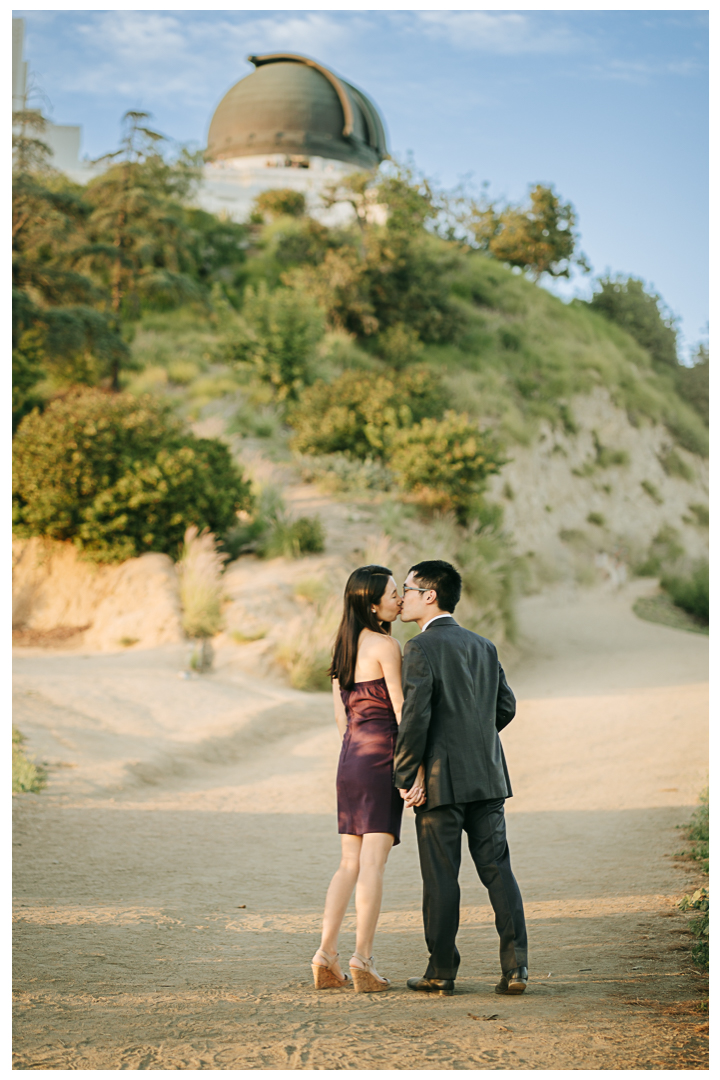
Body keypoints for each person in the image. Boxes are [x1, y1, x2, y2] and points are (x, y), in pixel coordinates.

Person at [394, 559, 528, 997]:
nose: (404, 597)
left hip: (439, 782)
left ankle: (441, 971)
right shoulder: (483, 645)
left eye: (410, 589)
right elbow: (505, 707)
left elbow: (415, 718)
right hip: (488, 777)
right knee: (498, 871)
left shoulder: (419, 648)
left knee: (440, 877)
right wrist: (476, 740)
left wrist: (403, 772)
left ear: (430, 595)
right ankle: (516, 970)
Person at [311, 565, 425, 993]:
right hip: (382, 757)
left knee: (349, 863)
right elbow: (401, 709)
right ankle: (363, 957)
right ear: (372, 604)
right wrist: (410, 769)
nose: (400, 599)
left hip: (350, 760)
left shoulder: (343, 648)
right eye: (394, 594)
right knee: (374, 863)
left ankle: (326, 953)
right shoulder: (385, 644)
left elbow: (341, 719)